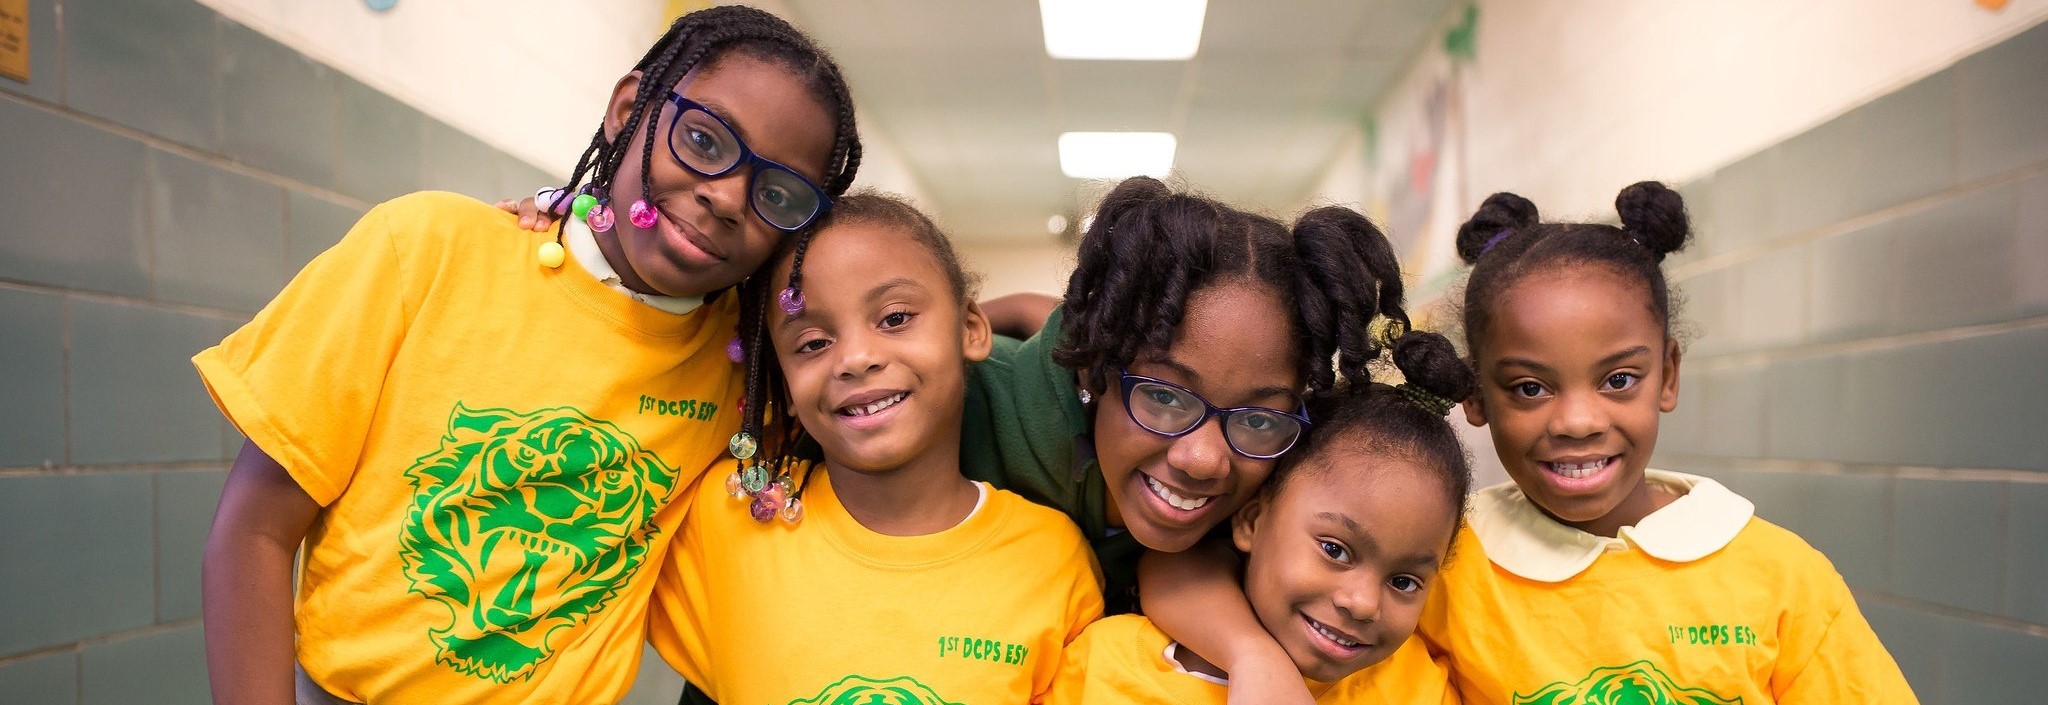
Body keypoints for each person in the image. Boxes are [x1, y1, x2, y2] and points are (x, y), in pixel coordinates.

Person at [192, 7, 860, 704]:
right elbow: (254, 530)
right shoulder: (426, 248)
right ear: (627, 109)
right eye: (702, 139)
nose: (726, 197)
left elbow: (917, 344)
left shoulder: (742, 368)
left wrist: (977, 320)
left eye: (778, 194)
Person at [1415, 183, 1918, 703]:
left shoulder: (1781, 577)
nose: (1578, 422)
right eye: (1530, 388)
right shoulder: (1440, 566)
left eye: (1618, 380)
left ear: (1668, 375)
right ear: (1474, 392)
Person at [647, 192, 1103, 704]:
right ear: (785, 385)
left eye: (894, 319)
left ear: (972, 331)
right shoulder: (721, 518)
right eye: (814, 343)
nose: (856, 358)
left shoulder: (1052, 559)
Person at [1047, 331, 1473, 705]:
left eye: (1403, 582)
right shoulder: (1109, 665)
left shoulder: (1419, 686)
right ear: (1251, 521)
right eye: (1334, 550)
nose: (1363, 604)